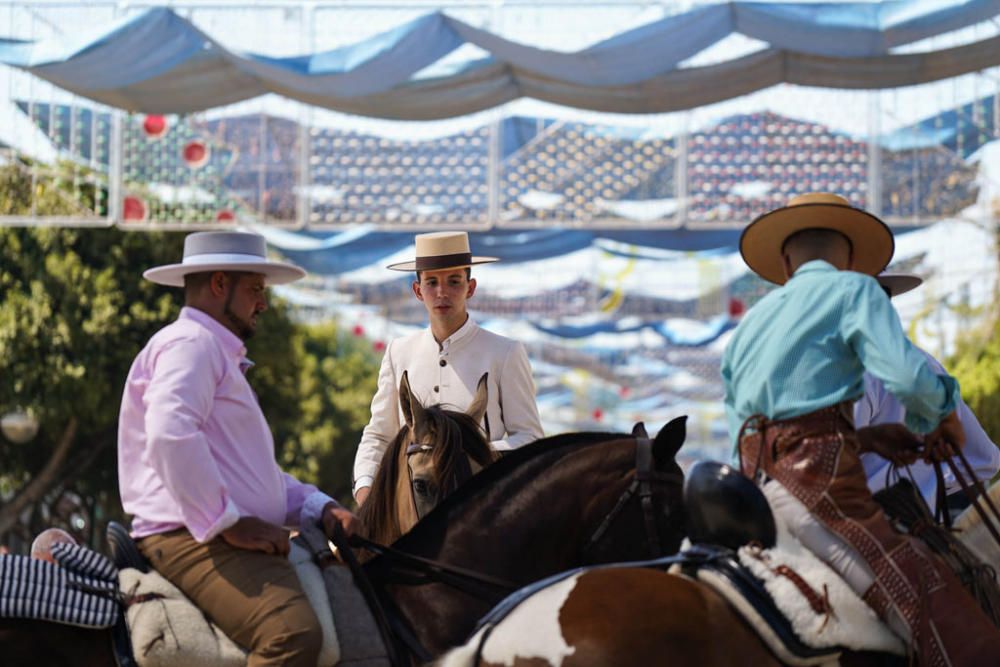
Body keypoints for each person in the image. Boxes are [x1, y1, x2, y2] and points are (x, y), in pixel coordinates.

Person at [721, 192, 1000, 665]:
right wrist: (941, 414)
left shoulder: (750, 325)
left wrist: (863, 440)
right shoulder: (854, 292)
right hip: (822, 496)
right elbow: (912, 379)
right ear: (851, 258)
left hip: (755, 500)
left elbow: (750, 438)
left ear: (786, 263)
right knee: (950, 621)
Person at [118, 231, 360, 667]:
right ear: (219, 284)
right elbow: (168, 431)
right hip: (189, 535)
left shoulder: (208, 349)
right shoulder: (193, 343)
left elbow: (253, 476)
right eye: (255, 290)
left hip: (198, 529)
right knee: (293, 634)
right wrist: (226, 522)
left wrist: (320, 507)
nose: (262, 303)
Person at [353, 231, 544, 505]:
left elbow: (530, 437)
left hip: (483, 507)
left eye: (454, 281)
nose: (442, 292)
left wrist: (471, 455)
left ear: (471, 287)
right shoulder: (398, 352)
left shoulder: (506, 352)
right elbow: (379, 434)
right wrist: (365, 488)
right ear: (418, 291)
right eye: (432, 282)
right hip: (408, 511)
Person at [857, 272, 1000, 515]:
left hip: (866, 525)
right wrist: (928, 492)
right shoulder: (923, 362)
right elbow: (983, 461)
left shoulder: (847, 374)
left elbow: (829, 460)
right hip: (918, 523)